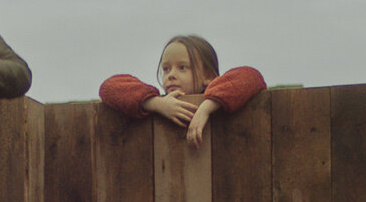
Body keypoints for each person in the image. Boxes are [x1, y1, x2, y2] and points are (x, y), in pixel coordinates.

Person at [99, 35, 265, 147]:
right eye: (166, 69)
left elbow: (252, 76)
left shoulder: (216, 100)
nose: (171, 75)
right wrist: (156, 104)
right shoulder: (160, 102)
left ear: (207, 75)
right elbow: (109, 87)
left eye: (182, 67)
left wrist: (206, 108)